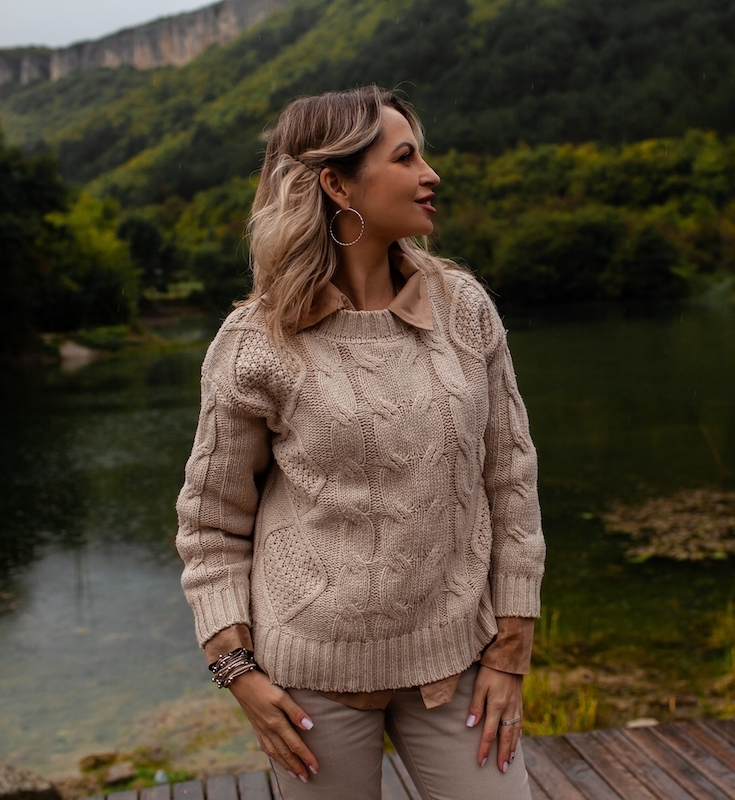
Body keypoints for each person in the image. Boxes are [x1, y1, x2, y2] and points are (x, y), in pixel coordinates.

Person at [174, 85, 545, 800]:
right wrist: (237, 670)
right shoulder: (256, 344)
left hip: (457, 659)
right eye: (406, 158)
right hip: (309, 682)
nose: (430, 174)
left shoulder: (464, 310)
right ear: (336, 183)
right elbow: (211, 525)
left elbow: (512, 482)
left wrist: (511, 649)